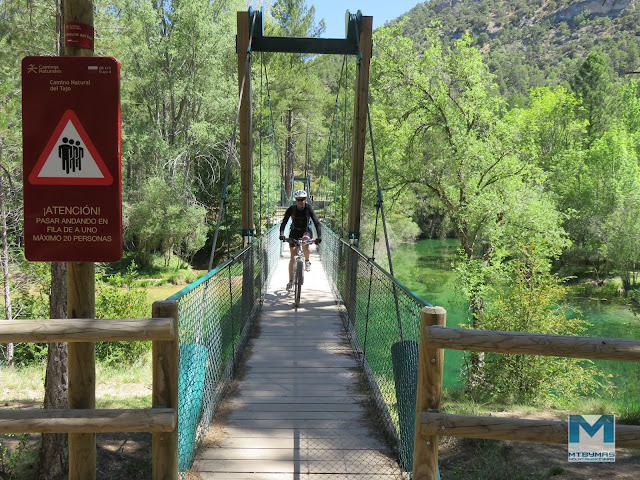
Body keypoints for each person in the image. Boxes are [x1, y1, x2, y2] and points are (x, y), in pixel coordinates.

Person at [279, 189, 322, 291]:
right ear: (295, 200)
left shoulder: (308, 208)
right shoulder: (292, 209)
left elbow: (316, 223)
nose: (300, 202)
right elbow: (284, 222)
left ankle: (307, 261)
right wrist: (281, 234)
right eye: (298, 199)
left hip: (306, 231)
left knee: (305, 243)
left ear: (305, 199)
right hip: (294, 232)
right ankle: (290, 282)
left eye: (302, 199)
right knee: (293, 256)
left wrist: (319, 236)